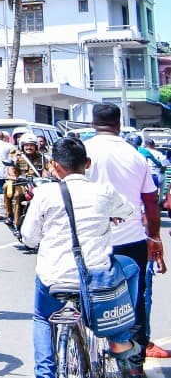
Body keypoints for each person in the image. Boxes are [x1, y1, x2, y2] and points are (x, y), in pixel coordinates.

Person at [21, 137, 143, 378]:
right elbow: (129, 211)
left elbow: (28, 237)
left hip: (54, 277)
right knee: (131, 267)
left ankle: (44, 373)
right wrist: (109, 216)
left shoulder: (45, 193)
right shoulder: (103, 191)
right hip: (97, 278)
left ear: (54, 165)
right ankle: (119, 339)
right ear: (87, 163)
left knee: (43, 318)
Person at [84, 104, 164, 364]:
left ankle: (84, 354)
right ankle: (134, 364)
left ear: (93, 123)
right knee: (134, 300)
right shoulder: (135, 155)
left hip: (89, 239)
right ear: (118, 124)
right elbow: (150, 201)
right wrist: (154, 238)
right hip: (130, 240)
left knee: (85, 295)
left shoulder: (82, 151)